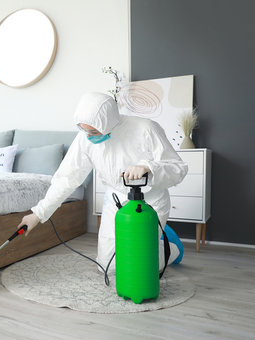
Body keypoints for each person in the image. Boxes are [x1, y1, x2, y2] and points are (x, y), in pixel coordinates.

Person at [18, 92, 188, 271]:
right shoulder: (85, 138)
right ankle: (157, 239)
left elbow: (178, 169)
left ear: (109, 123)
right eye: (84, 130)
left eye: (93, 131)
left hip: (149, 202)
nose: (89, 136)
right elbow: (66, 179)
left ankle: (173, 248)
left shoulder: (146, 129)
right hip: (116, 199)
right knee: (108, 266)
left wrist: (148, 167)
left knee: (140, 266)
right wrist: (37, 214)